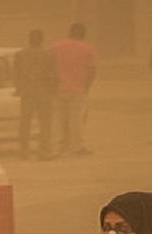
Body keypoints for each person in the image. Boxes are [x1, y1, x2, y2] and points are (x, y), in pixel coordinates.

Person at [49, 23, 97, 157]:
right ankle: (77, 147)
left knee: (57, 120)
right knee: (76, 120)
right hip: (78, 88)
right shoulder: (88, 48)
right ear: (83, 34)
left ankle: (55, 148)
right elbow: (92, 70)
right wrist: (87, 87)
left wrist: (51, 84)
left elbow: (48, 65)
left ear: (69, 32)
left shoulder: (55, 46)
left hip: (58, 88)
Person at [13, 29, 59, 160]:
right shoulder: (49, 55)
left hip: (26, 93)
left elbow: (16, 74)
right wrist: (53, 90)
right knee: (45, 123)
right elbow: (54, 75)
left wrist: (19, 88)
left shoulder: (20, 55)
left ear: (29, 39)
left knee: (25, 123)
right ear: (42, 39)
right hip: (44, 92)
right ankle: (43, 152)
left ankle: (23, 152)